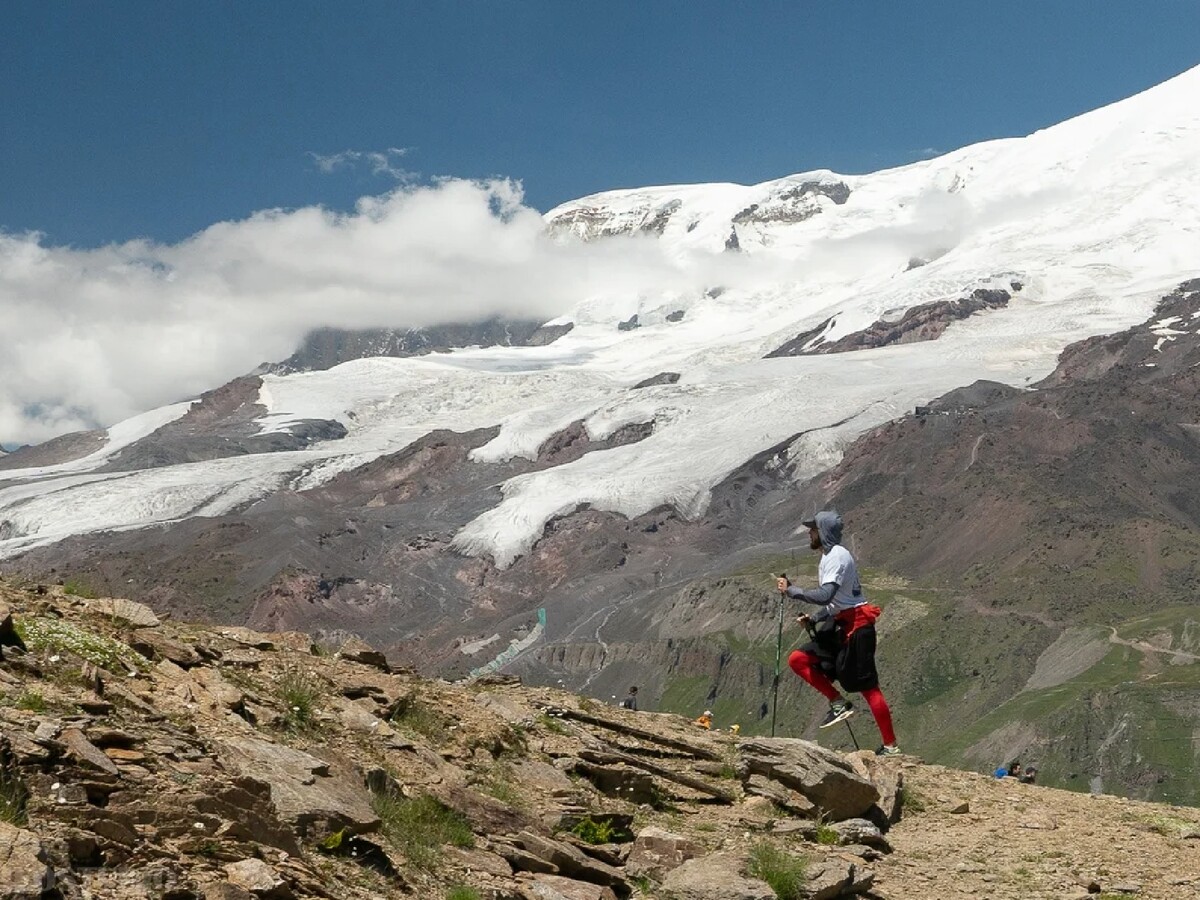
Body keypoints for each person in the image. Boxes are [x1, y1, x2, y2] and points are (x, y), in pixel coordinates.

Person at [777, 509, 900, 757]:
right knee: (798, 659)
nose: (809, 534)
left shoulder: (835, 558)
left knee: (869, 687)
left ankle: (890, 747)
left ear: (822, 533)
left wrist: (792, 591)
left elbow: (826, 595)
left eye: (813, 530)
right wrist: (815, 618)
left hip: (856, 627)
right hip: (843, 623)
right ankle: (837, 702)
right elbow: (836, 603)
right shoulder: (831, 555)